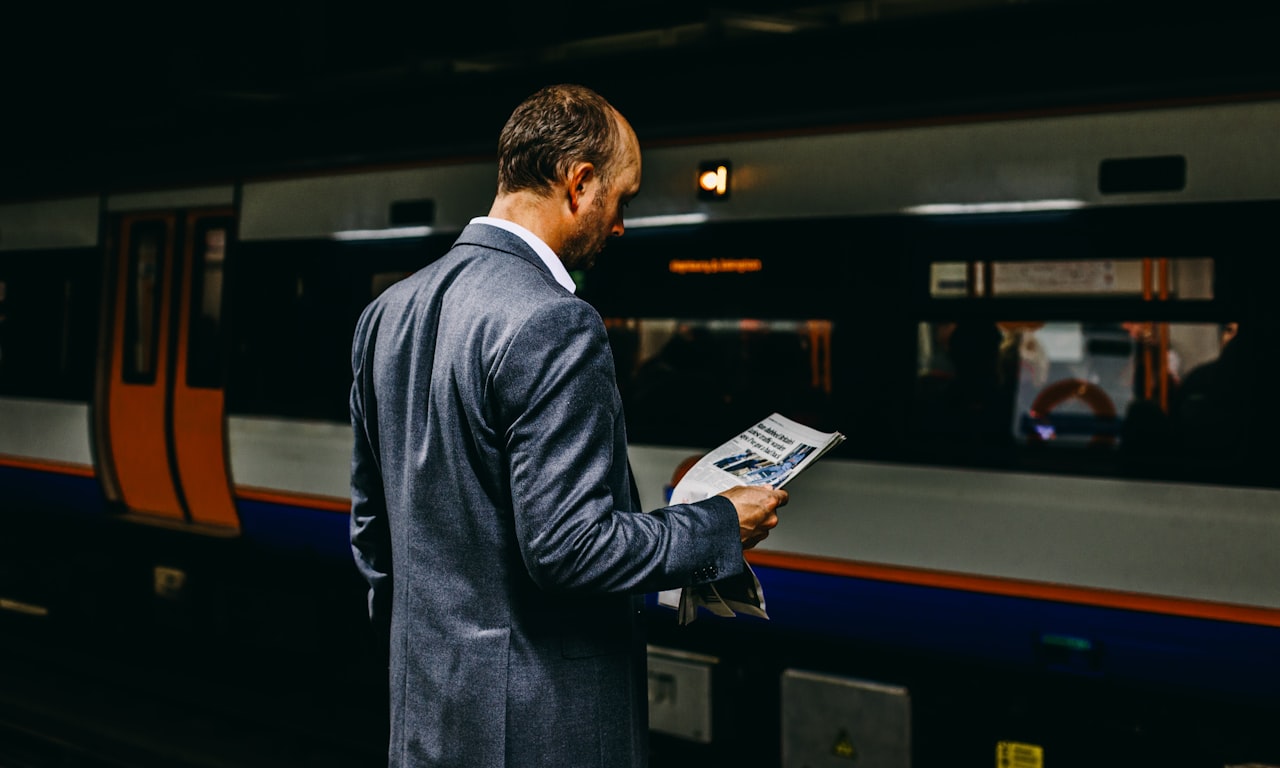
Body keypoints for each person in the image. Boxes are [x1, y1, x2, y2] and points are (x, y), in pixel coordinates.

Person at [349, 84, 788, 768]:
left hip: (425, 717)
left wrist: (436, 669)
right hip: (540, 732)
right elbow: (570, 549)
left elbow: (373, 537)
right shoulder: (554, 319)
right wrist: (720, 524)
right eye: (623, 199)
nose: (620, 225)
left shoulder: (388, 313)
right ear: (579, 183)